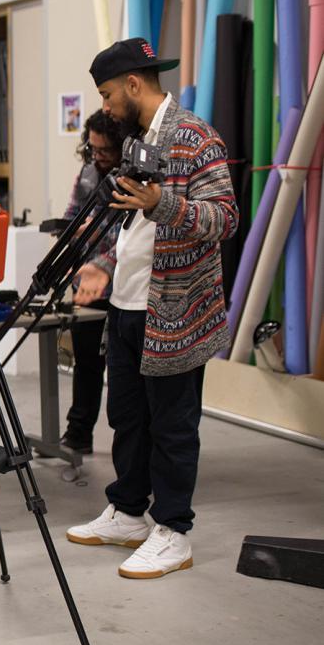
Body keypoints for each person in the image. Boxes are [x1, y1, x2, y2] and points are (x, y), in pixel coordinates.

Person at [69, 38, 238, 579]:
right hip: (127, 303)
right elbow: (137, 227)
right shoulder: (138, 138)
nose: (108, 106)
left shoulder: (194, 137)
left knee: (173, 424)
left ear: (133, 85)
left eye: (108, 94)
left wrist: (160, 202)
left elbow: (225, 218)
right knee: (129, 418)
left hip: (174, 310)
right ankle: (127, 511)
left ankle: (174, 530)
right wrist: (104, 265)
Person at [58, 110, 129, 455]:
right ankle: (78, 434)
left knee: (120, 370)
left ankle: (127, 446)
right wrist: (74, 234)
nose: (98, 156)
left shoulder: (132, 177)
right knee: (86, 361)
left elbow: (128, 236)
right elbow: (71, 217)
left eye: (105, 151)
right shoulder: (88, 171)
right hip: (86, 280)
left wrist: (94, 232)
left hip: (122, 285)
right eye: (93, 148)